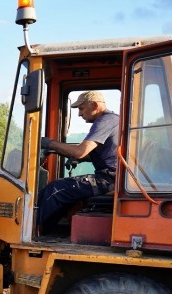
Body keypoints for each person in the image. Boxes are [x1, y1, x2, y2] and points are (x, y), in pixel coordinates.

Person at [36, 91, 119, 234]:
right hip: (111, 177)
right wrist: (78, 159)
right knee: (62, 188)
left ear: (94, 105)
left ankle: (39, 233)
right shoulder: (113, 120)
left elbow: (80, 151)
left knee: (55, 189)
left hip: (108, 179)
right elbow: (102, 153)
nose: (80, 114)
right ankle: (54, 229)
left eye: (81, 108)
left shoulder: (105, 121)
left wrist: (49, 143)